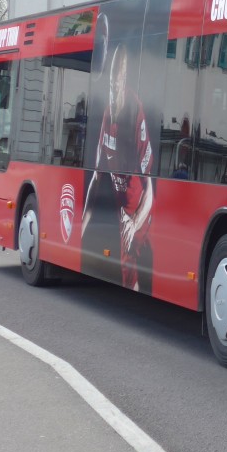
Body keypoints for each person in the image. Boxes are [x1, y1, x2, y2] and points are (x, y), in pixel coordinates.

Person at [81, 42, 154, 292]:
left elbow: (150, 189)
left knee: (132, 269)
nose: (112, 90)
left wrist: (134, 224)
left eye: (117, 84)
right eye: (110, 84)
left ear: (124, 80)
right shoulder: (107, 113)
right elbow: (97, 177)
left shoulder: (135, 111)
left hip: (138, 214)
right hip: (120, 209)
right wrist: (82, 223)